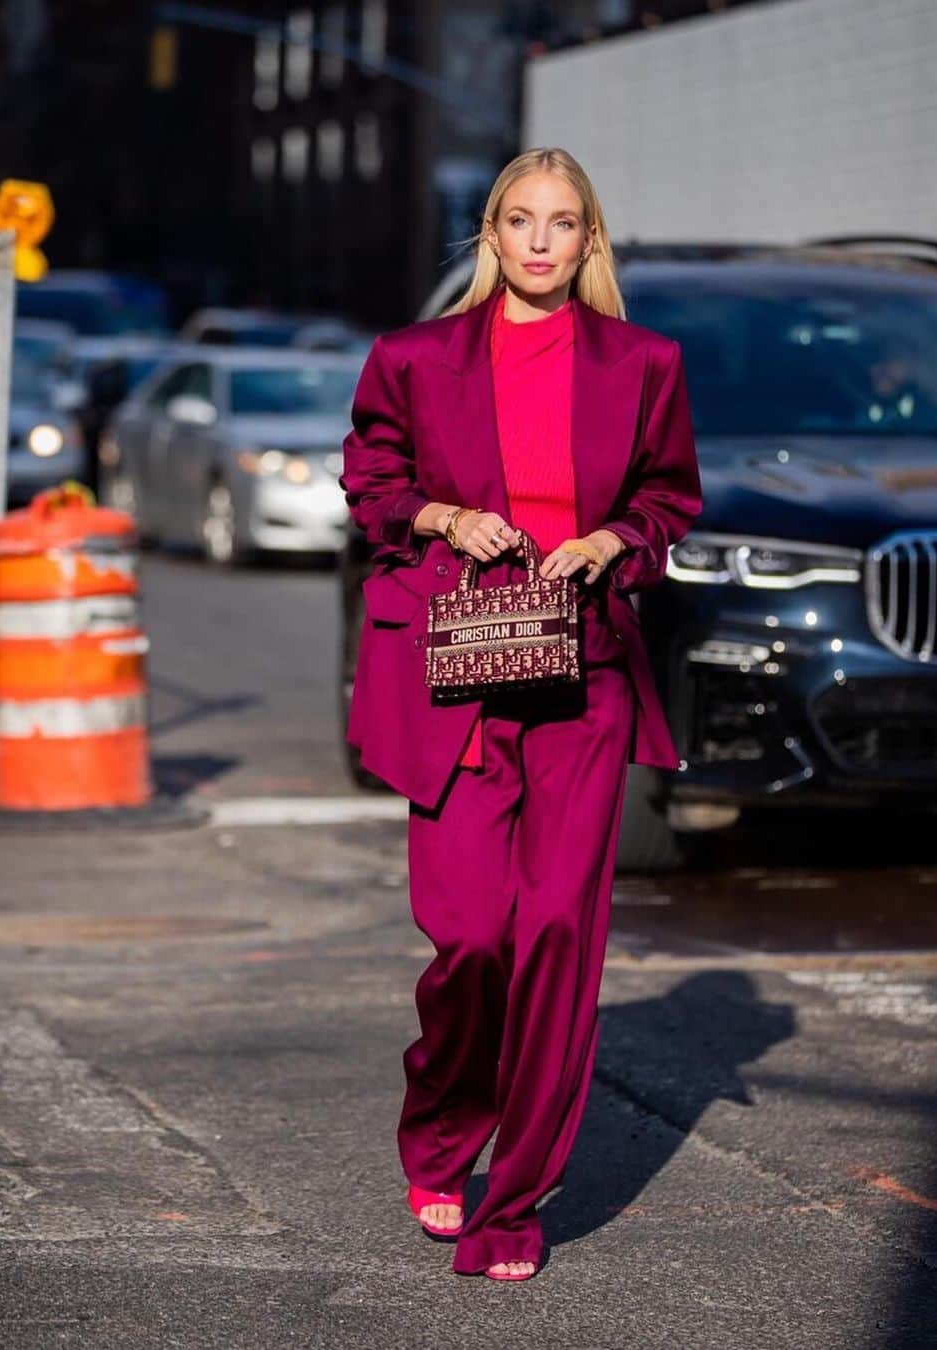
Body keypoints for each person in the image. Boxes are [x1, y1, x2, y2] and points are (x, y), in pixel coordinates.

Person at [340, 146, 703, 1281]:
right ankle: (444, 1129)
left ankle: (515, 1202)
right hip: (455, 675)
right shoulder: (413, 359)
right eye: (518, 219)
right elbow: (370, 483)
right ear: (488, 236)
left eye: (563, 222)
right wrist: (446, 516)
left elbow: (668, 495)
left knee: (557, 934)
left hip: (582, 673)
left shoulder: (644, 362)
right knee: (471, 938)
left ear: (591, 242)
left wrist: (613, 540)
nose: (540, 241)